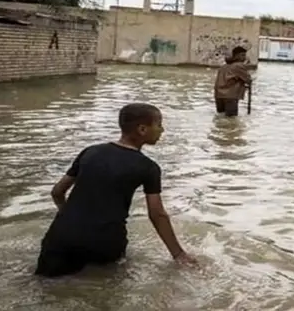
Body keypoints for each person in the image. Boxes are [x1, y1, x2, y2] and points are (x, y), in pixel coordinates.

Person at [35, 103, 195, 278]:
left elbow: (57, 192)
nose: (162, 130)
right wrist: (179, 254)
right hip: (105, 243)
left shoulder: (90, 152)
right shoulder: (148, 167)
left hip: (60, 237)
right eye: (158, 125)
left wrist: (70, 219)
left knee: (43, 287)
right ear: (142, 129)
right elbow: (157, 214)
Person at [214, 46, 252, 117]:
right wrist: (246, 66)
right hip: (230, 96)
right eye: (242, 55)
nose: (244, 58)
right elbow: (248, 79)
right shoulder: (239, 66)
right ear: (236, 56)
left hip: (218, 95)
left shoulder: (223, 67)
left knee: (221, 117)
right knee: (231, 119)